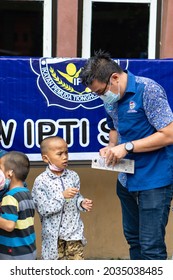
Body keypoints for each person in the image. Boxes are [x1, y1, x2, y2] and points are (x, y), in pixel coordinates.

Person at [80, 50, 173, 260]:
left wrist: (127, 147)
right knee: (133, 239)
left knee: (151, 246)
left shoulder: (148, 90)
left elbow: (169, 134)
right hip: (126, 179)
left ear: (114, 78)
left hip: (154, 181)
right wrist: (111, 146)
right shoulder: (111, 97)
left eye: (101, 91)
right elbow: (114, 126)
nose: (101, 97)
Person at [31, 136, 93, 260]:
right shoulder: (41, 181)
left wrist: (81, 203)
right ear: (45, 158)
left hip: (74, 233)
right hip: (54, 238)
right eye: (59, 154)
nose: (65, 157)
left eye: (66, 152)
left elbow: (76, 197)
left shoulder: (73, 176)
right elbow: (43, 209)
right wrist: (61, 196)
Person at [0, 151, 37, 259]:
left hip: (13, 254)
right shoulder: (26, 193)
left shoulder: (9, 197)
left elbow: (9, 225)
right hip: (29, 250)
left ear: (9, 173)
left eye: (0, 169)